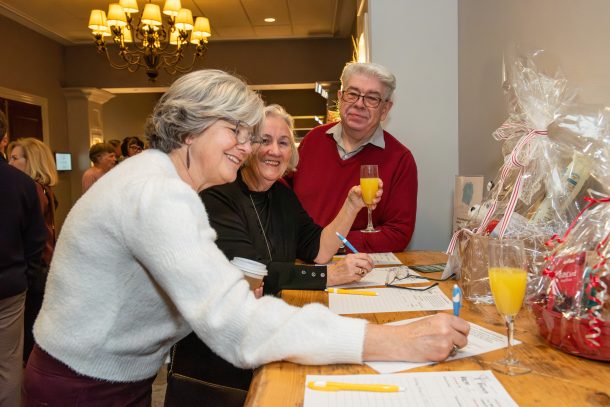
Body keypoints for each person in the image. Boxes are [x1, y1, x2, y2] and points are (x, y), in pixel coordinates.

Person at [23, 69, 469, 406]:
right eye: (234, 130)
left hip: (112, 377)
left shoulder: (167, 185)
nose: (245, 146)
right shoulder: (157, 194)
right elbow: (236, 326)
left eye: (248, 133)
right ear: (189, 127)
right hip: (82, 386)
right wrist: (394, 340)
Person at [167, 104, 381, 404]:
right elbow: (252, 273)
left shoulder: (281, 194)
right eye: (264, 140)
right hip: (218, 362)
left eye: (283, 142)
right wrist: (331, 275)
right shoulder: (217, 195)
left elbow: (317, 248)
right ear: (246, 146)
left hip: (265, 336)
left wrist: (352, 204)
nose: (275, 151)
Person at [290, 62, 418, 253]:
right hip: (302, 262)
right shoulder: (312, 141)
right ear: (341, 98)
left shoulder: (401, 160)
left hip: (358, 269)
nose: (359, 104)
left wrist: (330, 242)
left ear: (385, 109)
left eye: (372, 98)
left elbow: (398, 233)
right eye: (353, 94)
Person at [0, 111, 46, 406]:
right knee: (8, 365)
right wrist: (24, 277)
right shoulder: (22, 184)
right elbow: (35, 241)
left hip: (11, 284)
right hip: (9, 286)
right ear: (3, 139)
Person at [7, 138, 58, 362]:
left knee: (28, 341)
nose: (9, 162)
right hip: (44, 265)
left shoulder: (32, 189)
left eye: (15, 158)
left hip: (35, 268)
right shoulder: (42, 188)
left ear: (32, 161)